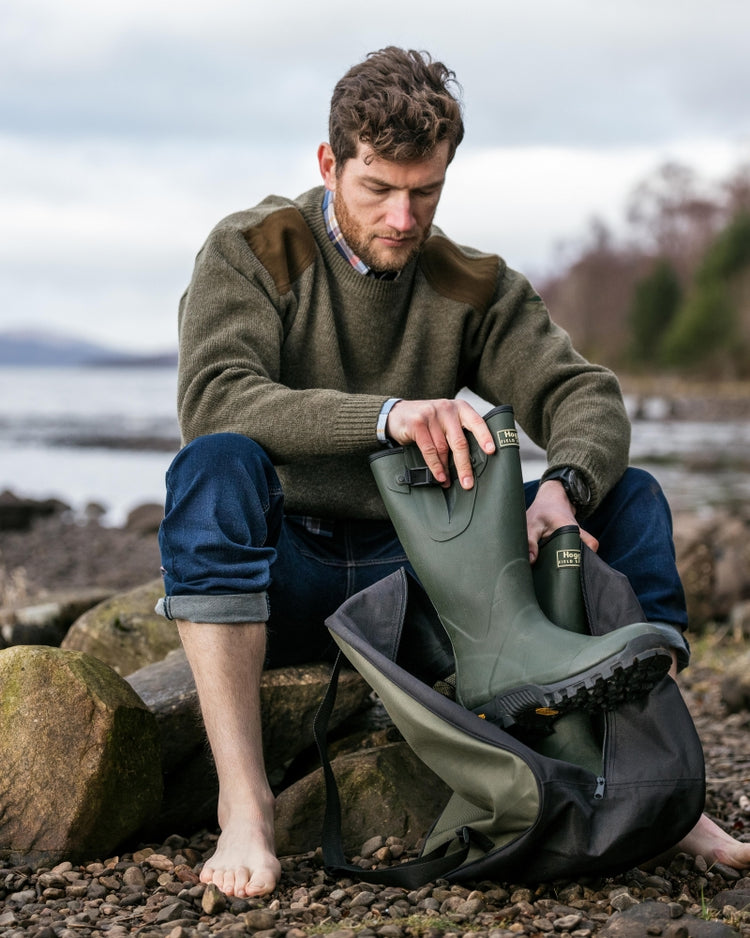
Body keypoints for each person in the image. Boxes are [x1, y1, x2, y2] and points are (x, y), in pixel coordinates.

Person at [156, 46, 750, 898]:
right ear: (330, 165)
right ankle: (245, 807)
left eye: (425, 191)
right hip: (284, 574)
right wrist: (388, 415)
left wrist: (561, 490)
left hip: (428, 580)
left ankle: (663, 784)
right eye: (379, 189)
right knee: (213, 467)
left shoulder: (472, 282)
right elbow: (216, 397)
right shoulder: (253, 250)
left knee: (633, 497)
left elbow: (585, 395)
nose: (403, 217)